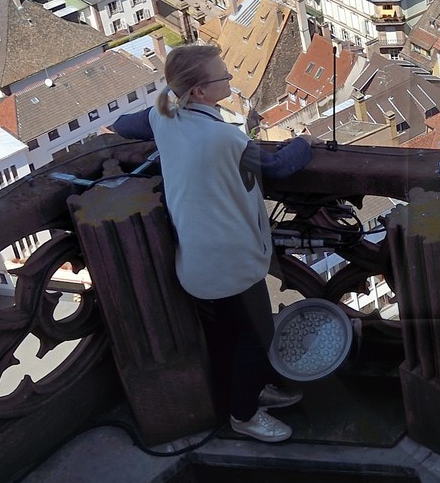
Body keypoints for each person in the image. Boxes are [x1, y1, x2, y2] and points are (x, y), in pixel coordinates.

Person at [112, 43, 312, 443]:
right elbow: (280, 165)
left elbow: (122, 126)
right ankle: (244, 415)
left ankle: (242, 394)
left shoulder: (163, 117)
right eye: (223, 76)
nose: (231, 80)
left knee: (224, 338)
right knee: (257, 340)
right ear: (200, 92)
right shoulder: (224, 138)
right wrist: (305, 141)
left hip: (195, 260)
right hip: (231, 262)